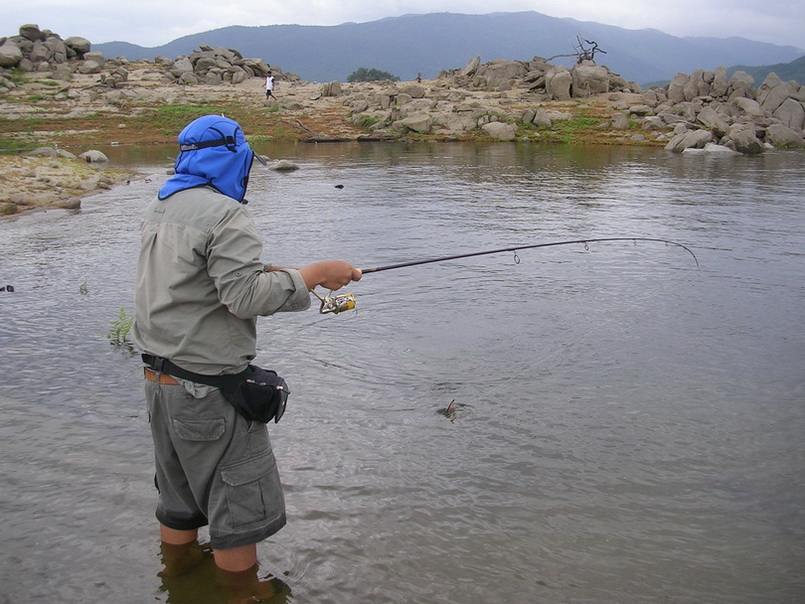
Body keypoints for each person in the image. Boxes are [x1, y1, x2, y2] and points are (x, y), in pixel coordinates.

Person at [132, 114, 361, 600]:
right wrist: (315, 274)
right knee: (236, 513)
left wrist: (275, 273)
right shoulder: (224, 213)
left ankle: (177, 580)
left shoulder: (165, 204)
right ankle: (240, 593)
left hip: (159, 383)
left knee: (177, 500)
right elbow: (245, 298)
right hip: (208, 394)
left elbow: (196, 280)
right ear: (232, 158)